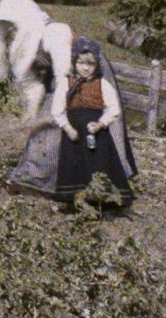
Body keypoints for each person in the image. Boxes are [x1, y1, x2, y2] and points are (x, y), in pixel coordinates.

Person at [52, 40, 136, 208]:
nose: (85, 68)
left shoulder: (102, 84)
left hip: (97, 134)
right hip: (73, 134)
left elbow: (113, 109)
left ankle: (103, 201)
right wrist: (68, 128)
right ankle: (72, 200)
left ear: (96, 65)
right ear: (74, 62)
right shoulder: (66, 84)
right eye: (81, 63)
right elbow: (57, 110)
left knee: (99, 163)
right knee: (74, 165)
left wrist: (100, 124)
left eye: (90, 64)